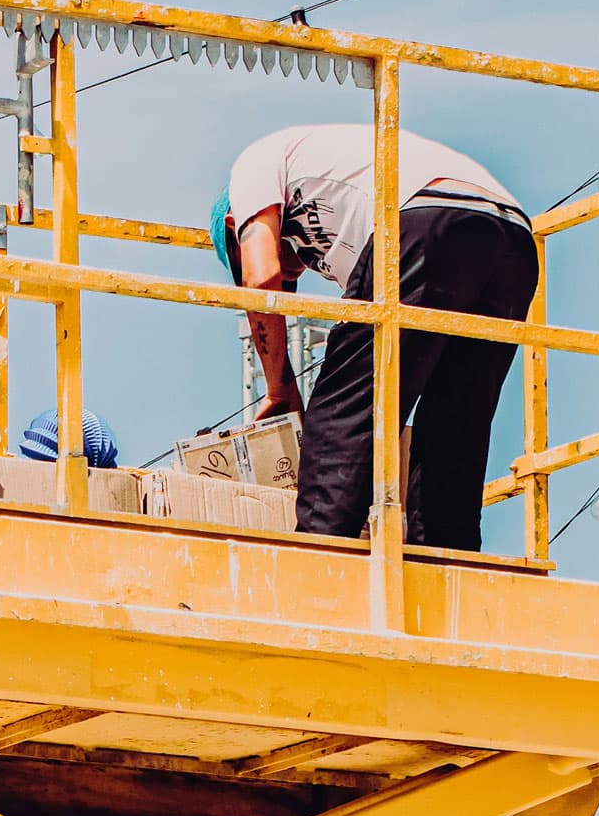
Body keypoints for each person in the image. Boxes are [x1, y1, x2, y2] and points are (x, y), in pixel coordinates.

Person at [213, 122, 539, 553]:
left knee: (344, 413)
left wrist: (280, 389)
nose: (294, 277)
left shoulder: (251, 168)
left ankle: (319, 561)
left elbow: (262, 278)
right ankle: (447, 565)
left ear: (238, 226)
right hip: (512, 241)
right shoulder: (342, 220)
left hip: (425, 215)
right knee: (455, 427)